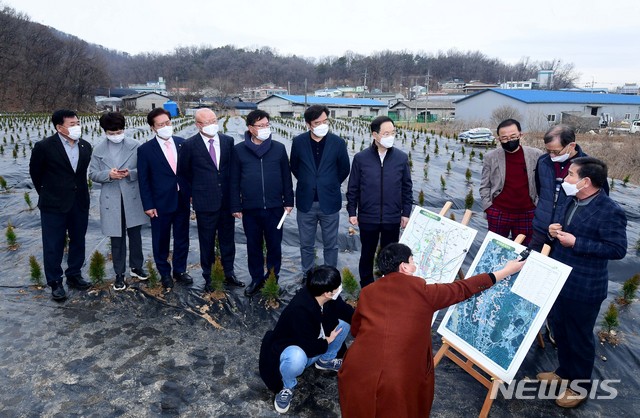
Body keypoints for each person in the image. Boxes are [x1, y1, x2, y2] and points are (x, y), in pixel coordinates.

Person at [338, 242, 525, 417]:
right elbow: (464, 288)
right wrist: (506, 271)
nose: (414, 266)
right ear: (403, 267)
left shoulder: (368, 292)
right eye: (412, 262)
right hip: (397, 378)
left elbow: (356, 330)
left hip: (356, 370)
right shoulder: (424, 292)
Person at [538, 157, 626, 408]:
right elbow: (561, 232)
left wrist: (577, 243)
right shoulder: (570, 200)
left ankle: (579, 387)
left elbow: (617, 249)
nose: (565, 180)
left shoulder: (610, 210)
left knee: (579, 337)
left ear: (586, 181)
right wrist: (552, 232)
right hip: (559, 279)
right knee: (560, 330)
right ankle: (563, 373)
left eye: (571, 175)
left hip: (584, 286)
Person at [259, 265, 354, 414]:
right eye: (338, 287)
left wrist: (368, 322)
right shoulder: (300, 310)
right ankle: (287, 386)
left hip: (317, 342)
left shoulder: (325, 296)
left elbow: (346, 311)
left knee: (343, 324)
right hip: (298, 349)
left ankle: (325, 361)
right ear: (327, 293)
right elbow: (306, 345)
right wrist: (327, 341)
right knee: (296, 358)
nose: (340, 288)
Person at [177, 108, 243, 291]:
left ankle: (229, 273)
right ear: (198, 125)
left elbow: (231, 171)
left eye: (214, 120)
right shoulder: (189, 145)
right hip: (205, 201)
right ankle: (209, 277)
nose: (212, 125)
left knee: (227, 240)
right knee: (206, 241)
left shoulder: (228, 141)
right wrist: (192, 194)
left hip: (226, 201)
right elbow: (183, 174)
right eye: (207, 122)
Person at [29, 109, 93, 301]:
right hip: (53, 204)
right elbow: (36, 173)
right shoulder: (45, 147)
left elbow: (79, 175)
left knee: (78, 239)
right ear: (59, 127)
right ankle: (55, 282)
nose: (77, 127)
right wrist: (48, 193)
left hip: (79, 202)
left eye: (78, 123)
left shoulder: (85, 146)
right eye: (72, 124)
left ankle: (74, 274)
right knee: (53, 244)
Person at [230, 110, 294, 297]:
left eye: (267, 125)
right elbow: (234, 180)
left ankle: (272, 279)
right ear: (250, 128)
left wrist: (288, 201)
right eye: (261, 126)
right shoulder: (239, 150)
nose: (265, 129)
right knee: (253, 245)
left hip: (275, 208)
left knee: (275, 246)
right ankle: (256, 278)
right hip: (250, 209)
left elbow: (286, 177)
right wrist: (235, 205)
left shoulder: (278, 148)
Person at [346, 116, 413, 288]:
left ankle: (389, 286)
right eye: (386, 133)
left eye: (393, 133)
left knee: (391, 254)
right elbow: (353, 187)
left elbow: (407, 188)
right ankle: (367, 287)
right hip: (368, 216)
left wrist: (406, 213)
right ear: (375, 135)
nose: (390, 136)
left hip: (392, 217)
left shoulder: (400, 158)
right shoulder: (361, 158)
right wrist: (352, 211)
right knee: (367, 253)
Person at [290, 105, 350, 281]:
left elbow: (344, 169)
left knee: (330, 244)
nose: (323, 125)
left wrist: (329, 184)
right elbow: (295, 166)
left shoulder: (337, 143)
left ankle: (330, 275)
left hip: (329, 201)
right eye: (318, 122)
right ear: (309, 124)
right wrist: (309, 182)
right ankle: (307, 274)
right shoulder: (299, 142)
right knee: (306, 244)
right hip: (306, 202)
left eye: (325, 121)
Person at [89, 112, 148, 290]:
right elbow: (92, 174)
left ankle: (137, 267)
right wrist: (109, 175)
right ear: (105, 132)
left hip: (132, 197)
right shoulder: (98, 150)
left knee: (135, 235)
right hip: (112, 199)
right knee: (117, 238)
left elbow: (144, 169)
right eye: (112, 132)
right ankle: (119, 274)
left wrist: (130, 173)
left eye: (119, 131)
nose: (116, 135)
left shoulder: (135, 146)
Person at [137, 108, 192, 289]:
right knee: (161, 239)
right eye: (161, 124)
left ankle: (180, 270)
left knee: (182, 237)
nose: (166, 126)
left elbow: (189, 173)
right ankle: (164, 273)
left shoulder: (182, 144)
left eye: (168, 122)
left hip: (182, 199)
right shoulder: (145, 150)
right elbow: (143, 180)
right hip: (160, 202)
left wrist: (191, 193)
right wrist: (148, 204)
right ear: (153, 128)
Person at [529, 124, 607, 251]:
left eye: (556, 151)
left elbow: (600, 202)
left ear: (571, 146)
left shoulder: (590, 168)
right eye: (548, 151)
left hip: (568, 234)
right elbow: (540, 190)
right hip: (542, 228)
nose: (552, 156)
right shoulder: (543, 161)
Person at [480, 119, 542, 245]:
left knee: (524, 250)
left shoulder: (535, 155)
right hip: (499, 212)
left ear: (520, 135)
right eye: (505, 138)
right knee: (494, 248)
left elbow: (543, 183)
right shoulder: (491, 157)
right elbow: (484, 185)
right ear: (499, 139)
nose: (509, 140)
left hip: (527, 213)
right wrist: (489, 208)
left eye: (513, 136)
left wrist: (538, 206)